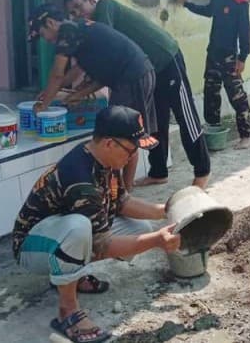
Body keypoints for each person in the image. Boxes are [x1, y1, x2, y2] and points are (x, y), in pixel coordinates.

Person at [12, 106, 181, 343]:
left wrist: (169, 210)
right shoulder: (80, 178)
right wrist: (157, 241)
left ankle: (72, 275)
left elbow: (122, 202)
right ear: (110, 144)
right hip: (32, 246)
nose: (133, 156)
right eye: (131, 149)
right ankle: (67, 310)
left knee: (139, 228)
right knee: (79, 228)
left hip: (59, 233)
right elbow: (104, 245)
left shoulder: (105, 162)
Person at [63, 0, 211, 189]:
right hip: (148, 69)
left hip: (166, 57)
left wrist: (85, 81)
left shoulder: (105, 6)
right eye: (72, 13)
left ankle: (202, 171)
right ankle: (158, 171)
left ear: (91, 0)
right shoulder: (93, 29)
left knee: (185, 114)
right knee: (155, 120)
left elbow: (104, 45)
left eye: (79, 7)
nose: (78, 14)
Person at [27, 4, 156, 191]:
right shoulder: (78, 30)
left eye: (42, 34)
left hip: (132, 78)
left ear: (50, 22)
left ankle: (124, 194)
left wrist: (44, 104)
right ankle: (123, 192)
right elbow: (90, 73)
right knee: (122, 134)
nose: (45, 40)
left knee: (124, 136)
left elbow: (57, 74)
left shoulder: (67, 31)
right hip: (136, 75)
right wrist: (75, 94)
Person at [175, 0, 250, 150]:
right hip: (213, 55)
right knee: (211, 94)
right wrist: (187, 4)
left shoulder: (239, 2)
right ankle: (213, 133)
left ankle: (246, 135)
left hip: (230, 57)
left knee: (237, 96)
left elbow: (244, 32)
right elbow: (208, 11)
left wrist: (243, 57)